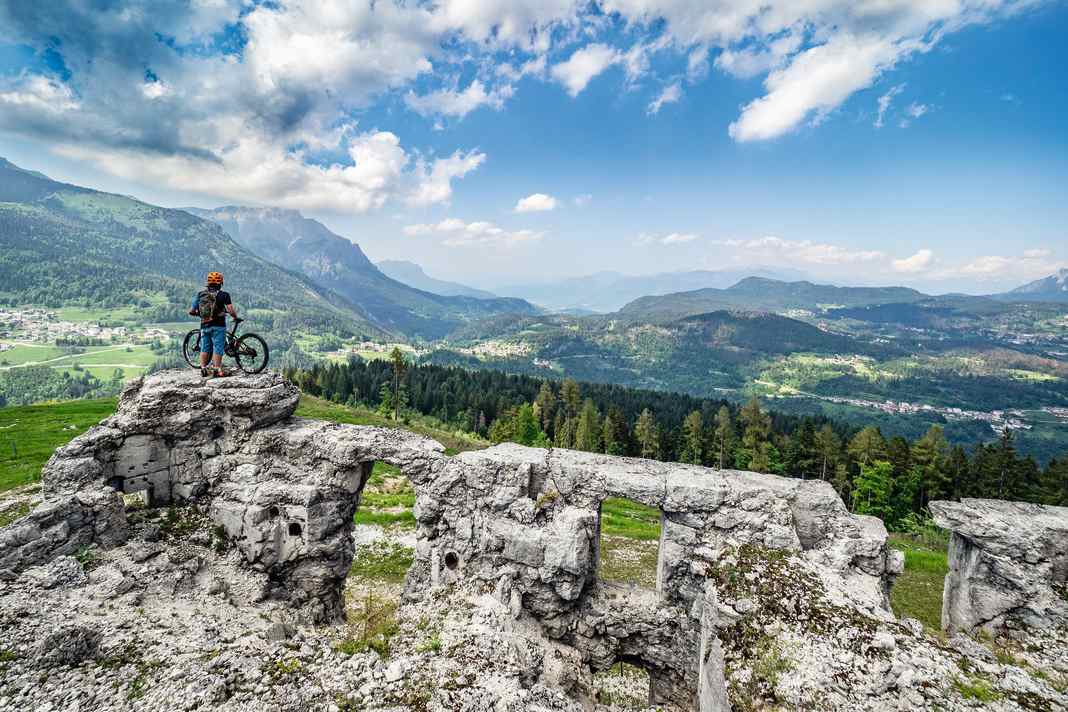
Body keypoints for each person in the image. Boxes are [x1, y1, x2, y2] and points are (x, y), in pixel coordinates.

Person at [189, 271, 238, 378]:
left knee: (205, 347)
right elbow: (230, 310)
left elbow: (191, 311)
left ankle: (203, 369)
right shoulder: (224, 295)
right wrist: (235, 317)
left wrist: (202, 315)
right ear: (221, 283)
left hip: (204, 326)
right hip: (218, 326)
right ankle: (217, 369)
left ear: (208, 283)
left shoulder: (201, 294)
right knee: (218, 347)